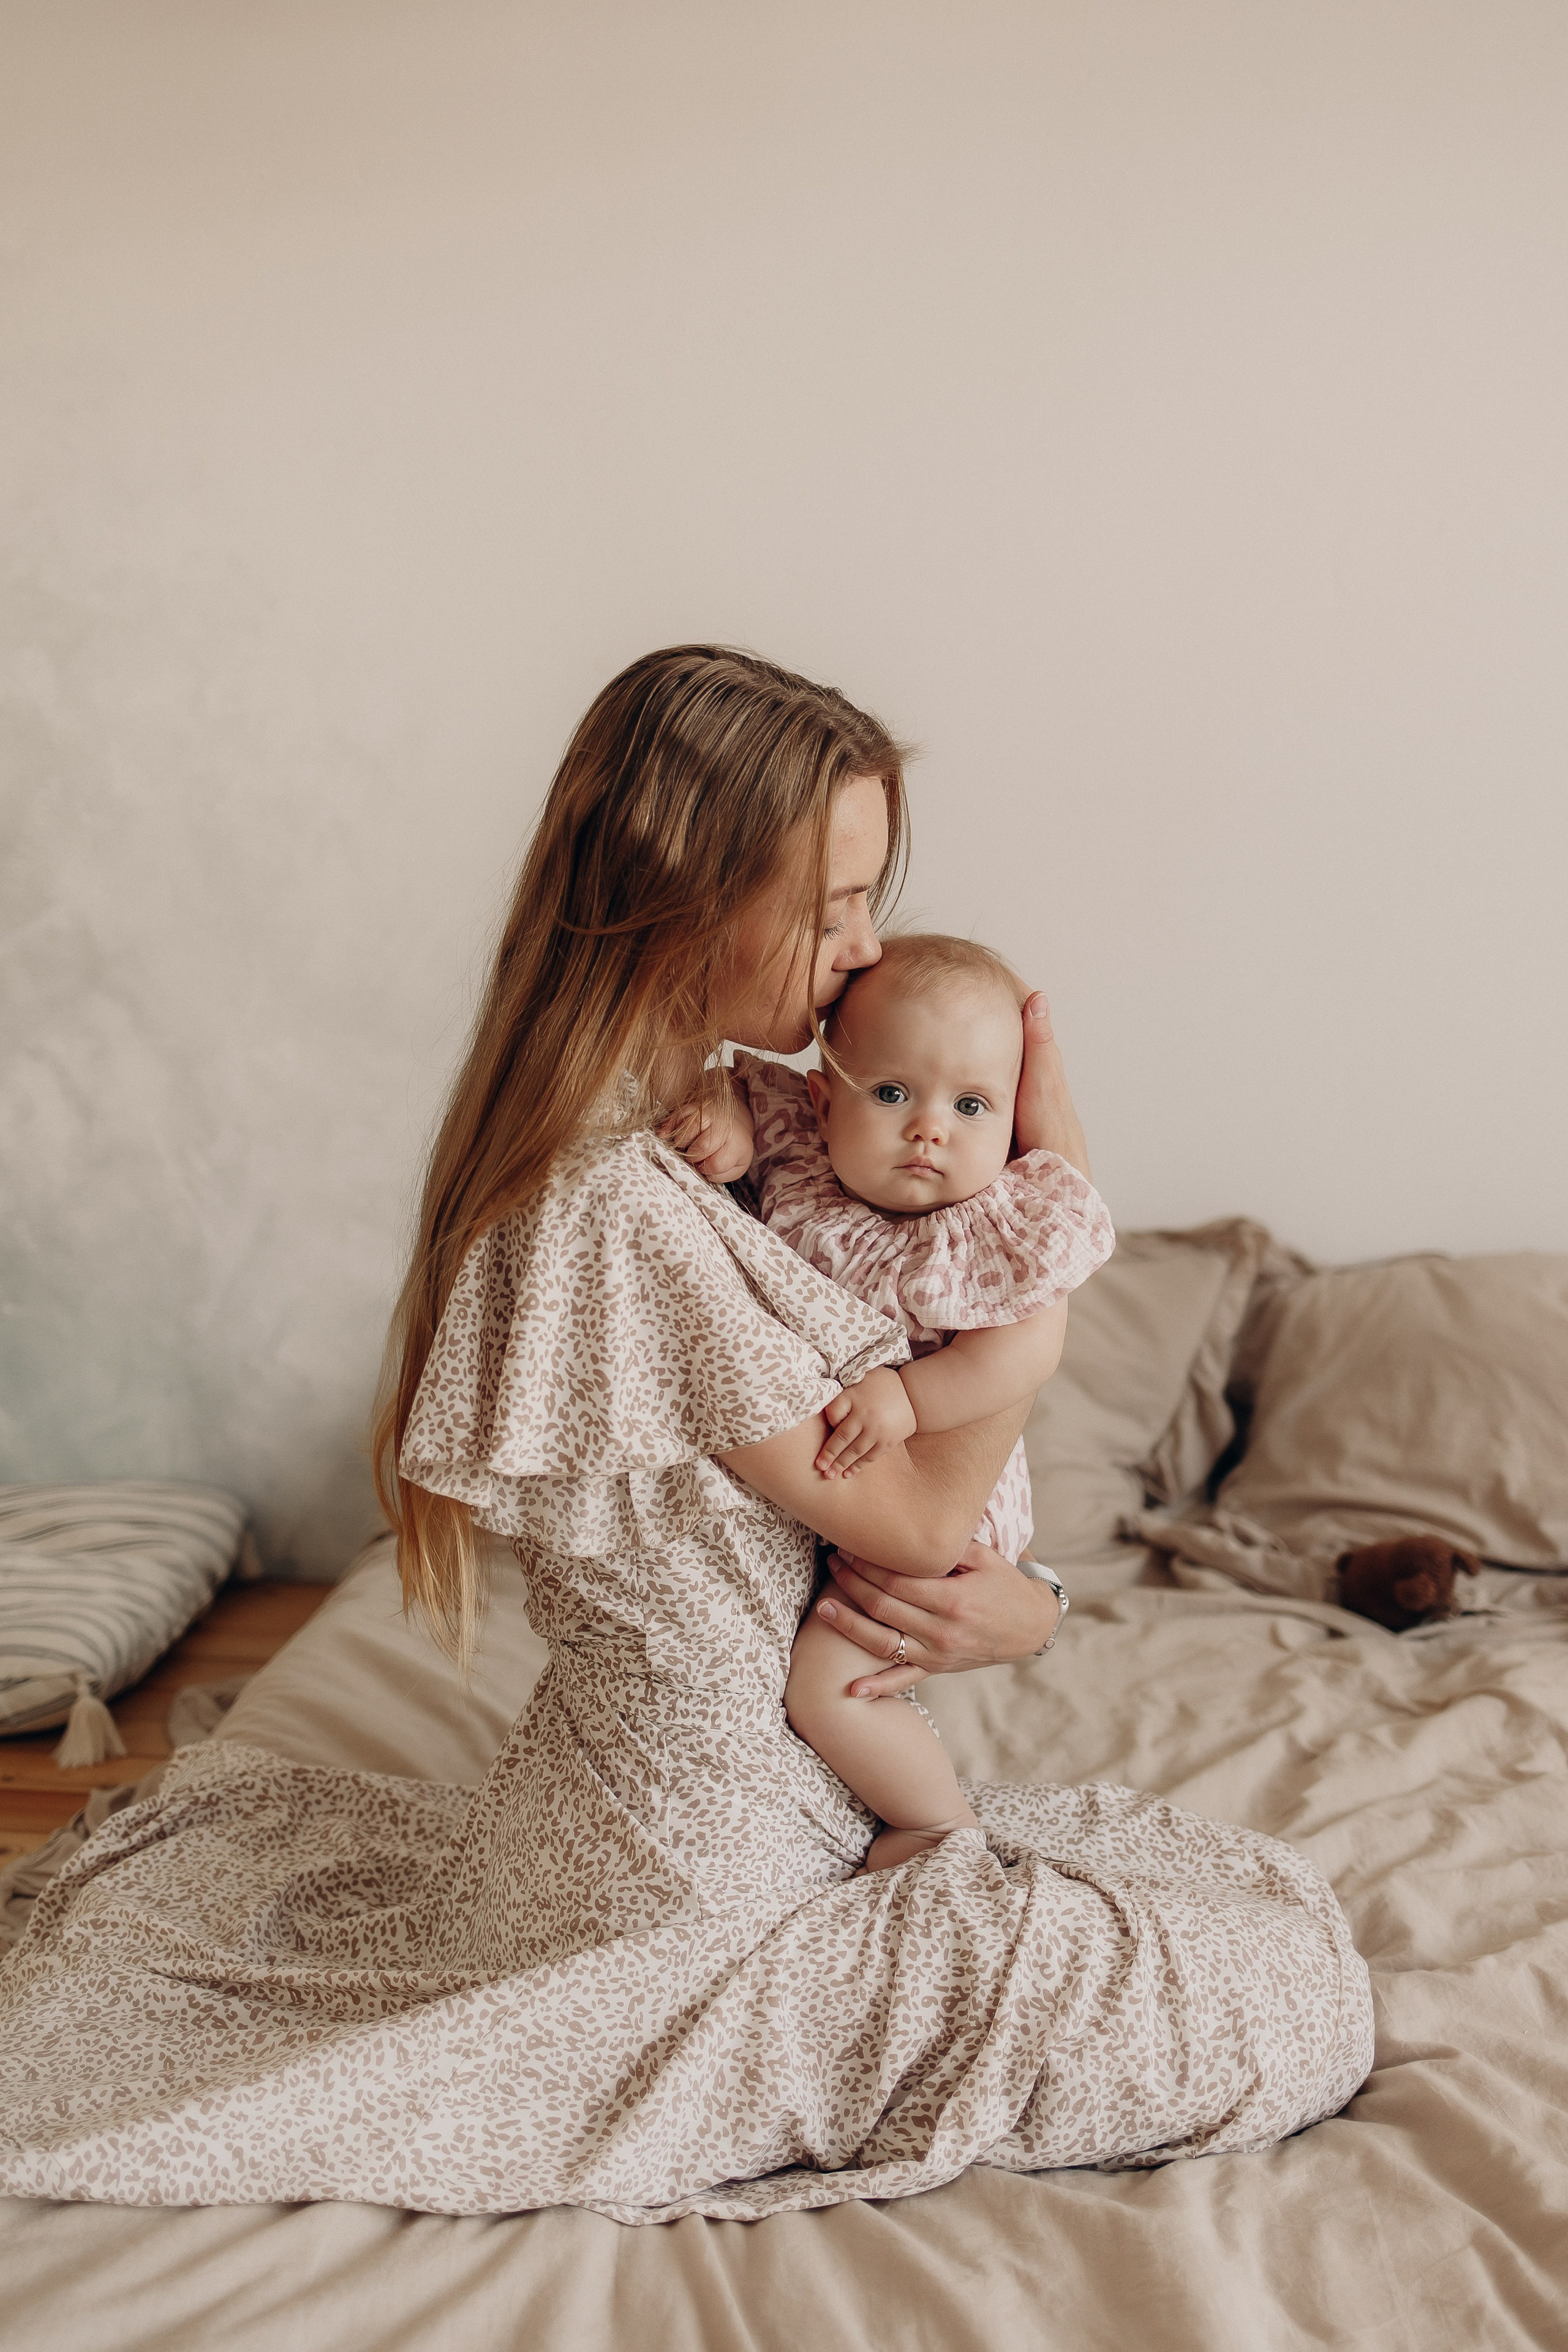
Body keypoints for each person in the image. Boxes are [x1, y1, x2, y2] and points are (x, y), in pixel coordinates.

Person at [0, 646, 1373, 2220]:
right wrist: (1030, 1259)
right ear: (678, 890)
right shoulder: (608, 1206)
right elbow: (918, 1520)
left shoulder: (732, 1136)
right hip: (694, 1855)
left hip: (739, 1793)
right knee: (1270, 2005)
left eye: (873, 900)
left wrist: (1035, 1600)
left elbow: (889, 1527)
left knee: (1247, 1928)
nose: (863, 953)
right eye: (833, 905)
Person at [661, 932, 1115, 1870]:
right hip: (823, 1493)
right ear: (826, 1099)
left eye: (973, 1105)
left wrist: (909, 1399)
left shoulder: (988, 1227)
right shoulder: (800, 1162)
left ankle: (937, 1827)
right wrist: (727, 1126)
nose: (929, 1129)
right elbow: (730, 1089)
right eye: (894, 1092)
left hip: (939, 1497)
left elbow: (1024, 1350)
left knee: (829, 1686)